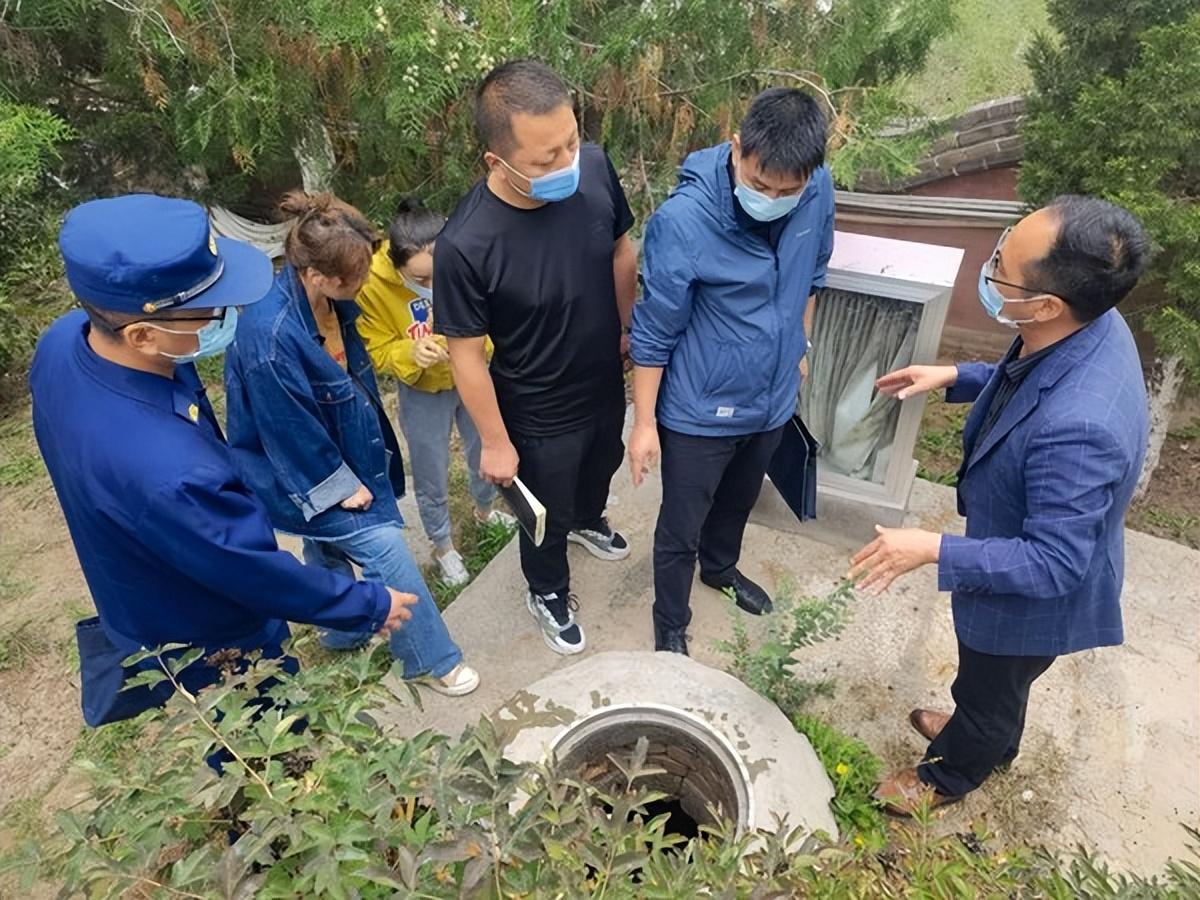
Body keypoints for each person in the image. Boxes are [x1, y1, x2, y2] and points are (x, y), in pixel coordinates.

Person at [30, 194, 416, 724]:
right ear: (142, 334)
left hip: (150, 579)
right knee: (268, 741)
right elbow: (250, 569)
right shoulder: (171, 472)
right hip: (212, 631)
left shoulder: (63, 344)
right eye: (213, 307)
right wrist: (368, 604)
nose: (230, 315)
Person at [847, 195, 1150, 816]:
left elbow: (1054, 564)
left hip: (1031, 601)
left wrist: (932, 548)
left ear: (1045, 305)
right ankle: (985, 733)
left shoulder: (1081, 428)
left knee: (989, 686)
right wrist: (957, 376)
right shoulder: (1089, 321)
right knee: (995, 688)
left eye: (1002, 268)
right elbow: (1031, 380)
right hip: (1022, 553)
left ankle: (952, 773)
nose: (988, 269)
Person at [224, 191, 479, 697]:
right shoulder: (269, 340)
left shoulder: (330, 302)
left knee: (324, 541)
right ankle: (430, 659)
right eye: (357, 279)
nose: (365, 286)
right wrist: (337, 485)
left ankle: (342, 627)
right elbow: (285, 431)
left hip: (342, 451)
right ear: (319, 276)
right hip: (302, 473)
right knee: (385, 548)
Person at [433, 59, 639, 655]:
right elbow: (465, 356)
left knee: (604, 460)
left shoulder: (595, 168)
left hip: (602, 372)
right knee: (541, 510)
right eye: (545, 159)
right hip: (535, 403)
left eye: (570, 142)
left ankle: (589, 520)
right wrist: (495, 442)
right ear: (496, 162)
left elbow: (621, 251)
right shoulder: (466, 245)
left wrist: (626, 329)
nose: (567, 164)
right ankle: (547, 588)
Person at [628, 88, 835, 655]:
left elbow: (814, 271)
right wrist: (644, 423)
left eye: (786, 191)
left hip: (771, 399)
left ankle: (720, 568)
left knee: (740, 500)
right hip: (699, 409)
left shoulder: (816, 191)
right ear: (738, 147)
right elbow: (654, 329)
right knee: (681, 523)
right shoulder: (683, 222)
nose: (772, 197)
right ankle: (670, 619)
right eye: (760, 184)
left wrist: (801, 340)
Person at [355, 198, 513, 587]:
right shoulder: (373, 285)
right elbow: (375, 347)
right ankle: (443, 546)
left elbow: (497, 314)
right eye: (420, 280)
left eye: (438, 276)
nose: (432, 287)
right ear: (397, 266)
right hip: (422, 391)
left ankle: (485, 510)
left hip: (473, 376)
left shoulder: (466, 255)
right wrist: (410, 351)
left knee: (484, 448)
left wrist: (479, 347)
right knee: (430, 468)